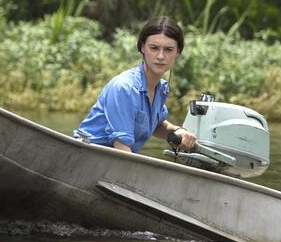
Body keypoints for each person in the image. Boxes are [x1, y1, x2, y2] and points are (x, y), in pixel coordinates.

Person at [74, 16, 197, 153]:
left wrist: (177, 130)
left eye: (168, 49)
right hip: (85, 154)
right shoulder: (124, 88)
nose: (161, 56)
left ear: (177, 52)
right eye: (154, 48)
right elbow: (121, 148)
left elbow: (155, 125)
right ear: (142, 47)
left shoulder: (161, 88)